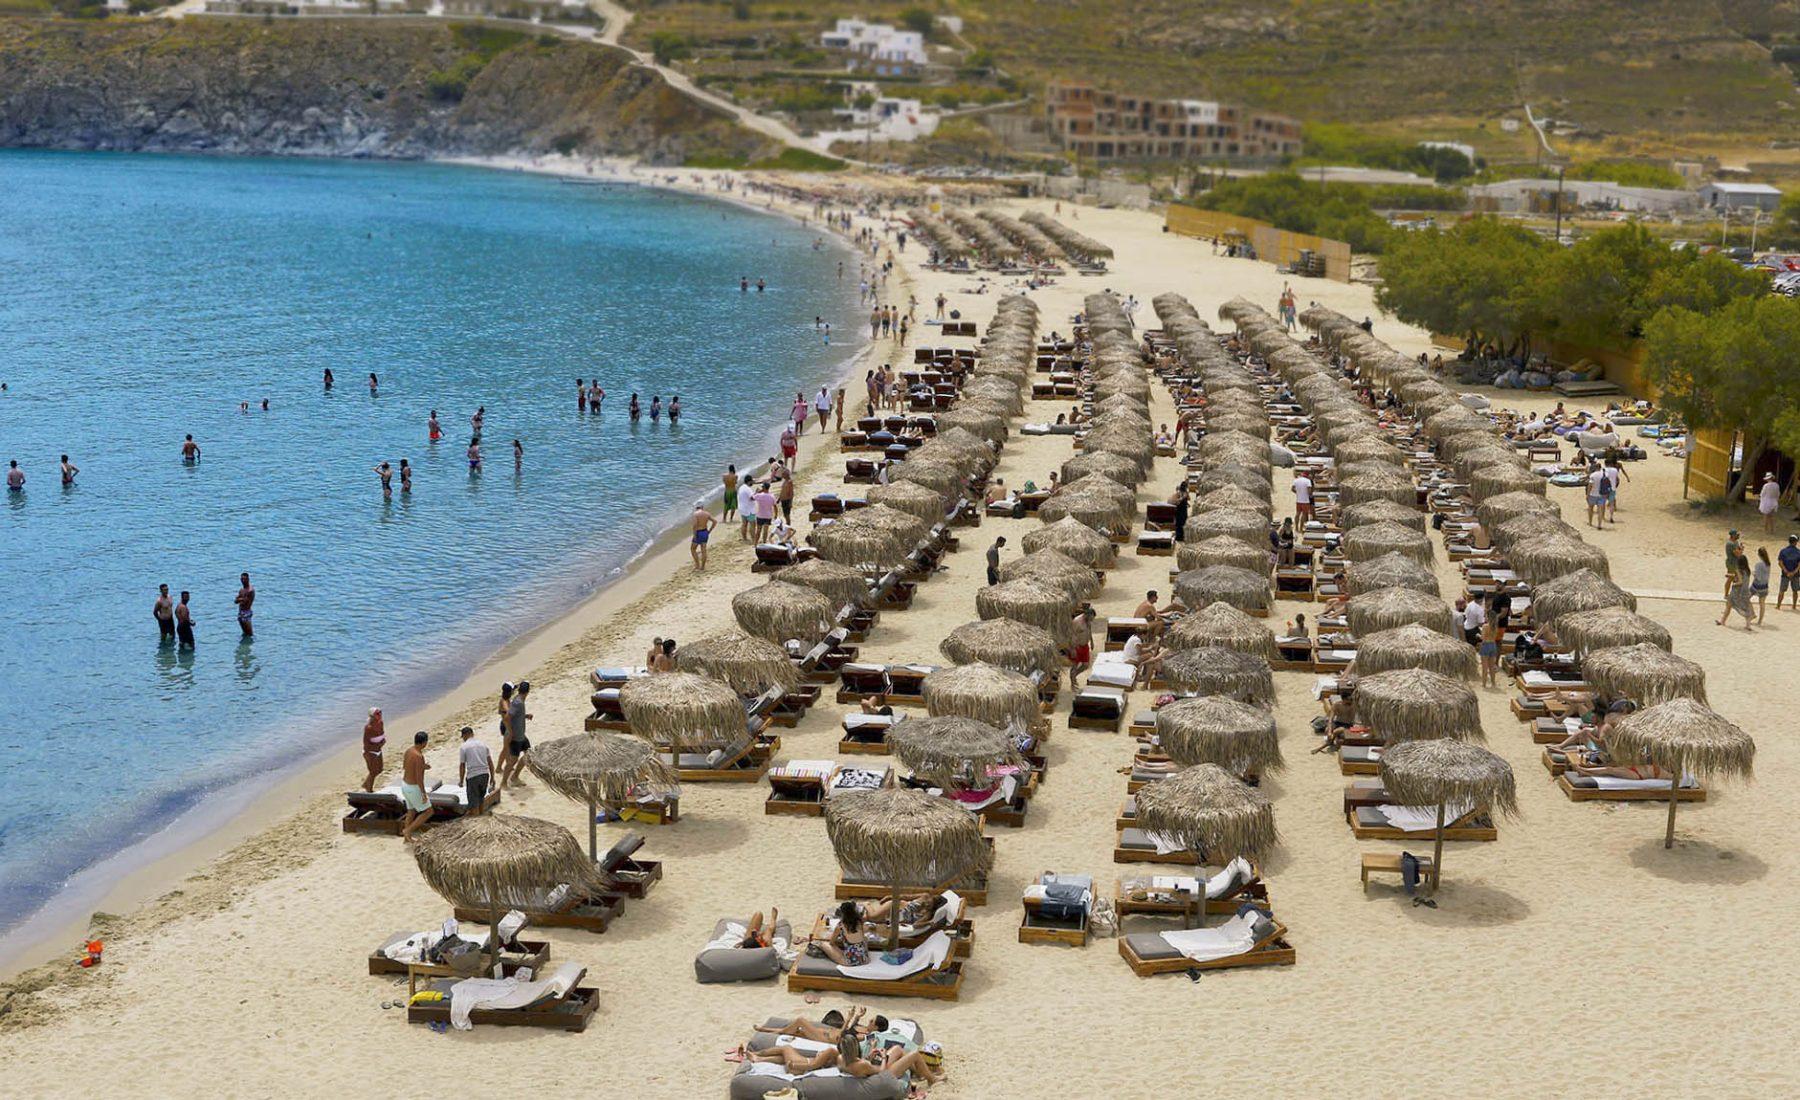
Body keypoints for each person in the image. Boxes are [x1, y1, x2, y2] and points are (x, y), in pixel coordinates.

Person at [804, 901, 869, 966]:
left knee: (822, 944)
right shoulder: (859, 922)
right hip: (864, 958)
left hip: (850, 961)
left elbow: (831, 943)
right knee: (863, 940)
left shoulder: (840, 926)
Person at [399, 731, 432, 842]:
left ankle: (406, 837)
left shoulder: (409, 751)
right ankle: (408, 830)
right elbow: (419, 778)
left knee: (411, 811)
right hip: (413, 787)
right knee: (429, 811)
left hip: (404, 785)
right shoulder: (419, 756)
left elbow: (406, 767)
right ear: (424, 742)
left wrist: (423, 767)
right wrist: (423, 793)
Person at [458, 725, 493, 815]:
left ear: (465, 735)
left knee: (474, 804)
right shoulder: (483, 744)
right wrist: (492, 777)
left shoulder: (464, 747)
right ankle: (481, 817)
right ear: (472, 734)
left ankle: (476, 821)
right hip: (485, 774)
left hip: (473, 776)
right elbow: (490, 762)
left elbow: (462, 765)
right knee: (481, 800)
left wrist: (461, 781)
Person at [1717, 552, 1756, 632]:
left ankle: (1722, 621)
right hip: (1745, 592)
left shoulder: (1738, 570)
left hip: (1736, 591)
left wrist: (1734, 584)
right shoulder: (1747, 571)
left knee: (1728, 606)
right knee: (1746, 608)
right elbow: (1741, 578)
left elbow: (1740, 581)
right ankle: (1748, 625)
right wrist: (1730, 576)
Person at [1067, 603, 1095, 689]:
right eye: (1091, 618)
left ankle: (1074, 676)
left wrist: (1092, 641)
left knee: (1086, 665)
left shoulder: (1088, 621)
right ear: (1086, 615)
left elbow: (1089, 630)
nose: (1091, 620)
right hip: (1077, 646)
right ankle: (1072, 683)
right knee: (1075, 665)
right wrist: (1072, 649)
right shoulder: (1077, 621)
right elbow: (1071, 635)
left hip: (1085, 646)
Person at [361, 707, 386, 792]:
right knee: (373, 771)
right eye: (377, 713)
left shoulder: (381, 723)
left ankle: (365, 784)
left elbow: (382, 734)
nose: (380, 715)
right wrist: (376, 747)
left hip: (378, 749)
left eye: (380, 713)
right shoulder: (368, 727)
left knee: (380, 769)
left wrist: (382, 742)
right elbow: (366, 743)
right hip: (370, 751)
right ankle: (369, 789)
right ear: (372, 716)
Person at [1478, 612, 1502, 688]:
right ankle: (1493, 683)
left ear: (1488, 617)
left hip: (1486, 646)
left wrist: (1478, 635)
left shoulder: (1485, 626)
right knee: (1491, 666)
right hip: (1493, 645)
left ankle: (1484, 684)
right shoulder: (1495, 626)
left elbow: (1483, 638)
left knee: (1484, 667)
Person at [690, 504, 717, 571]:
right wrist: (709, 531)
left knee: (693, 549)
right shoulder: (707, 513)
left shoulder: (695, 514)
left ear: (696, 508)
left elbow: (695, 526)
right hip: (705, 532)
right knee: (703, 550)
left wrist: (694, 535)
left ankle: (697, 565)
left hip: (698, 532)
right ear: (702, 507)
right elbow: (715, 521)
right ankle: (703, 567)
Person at [1585, 464, 1611, 529]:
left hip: (1593, 494)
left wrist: (1587, 495)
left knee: (1590, 508)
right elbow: (1608, 484)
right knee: (1600, 510)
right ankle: (1599, 525)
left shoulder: (1593, 475)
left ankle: (1590, 522)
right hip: (1602, 494)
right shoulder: (1605, 475)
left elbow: (1590, 486)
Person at [1752, 546, 1772, 624]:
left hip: (1756, 585)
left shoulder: (1758, 564)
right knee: (1762, 604)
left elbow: (1758, 577)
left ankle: (1752, 614)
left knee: (1746, 598)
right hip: (1765, 586)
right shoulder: (1768, 563)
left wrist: (1753, 574)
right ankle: (1760, 621)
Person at [1780, 535, 1800, 611]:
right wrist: (1794, 572)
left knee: (1782, 590)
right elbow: (1799, 565)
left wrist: (1786, 571)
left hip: (1785, 574)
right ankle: (1794, 606)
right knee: (1795, 591)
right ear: (1795, 542)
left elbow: (1780, 563)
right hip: (1796, 574)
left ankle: (1778, 606)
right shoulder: (1798, 552)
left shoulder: (1783, 551)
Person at [1723, 529, 1743, 599]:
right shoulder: (1730, 544)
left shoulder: (1736, 542)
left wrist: (1740, 550)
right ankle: (1726, 594)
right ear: (1733, 535)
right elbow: (1737, 554)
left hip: (1736, 563)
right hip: (1731, 563)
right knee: (1730, 578)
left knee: (1737, 579)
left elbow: (1738, 551)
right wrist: (1741, 550)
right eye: (1736, 534)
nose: (1738, 535)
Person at [235, 572, 255, 638]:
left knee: (250, 634)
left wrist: (240, 599)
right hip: (240, 612)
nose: (243, 581)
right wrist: (240, 599)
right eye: (242, 579)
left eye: (244, 579)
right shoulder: (241, 590)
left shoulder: (250, 590)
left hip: (246, 612)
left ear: (248, 579)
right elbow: (236, 601)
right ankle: (244, 647)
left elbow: (245, 601)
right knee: (244, 633)